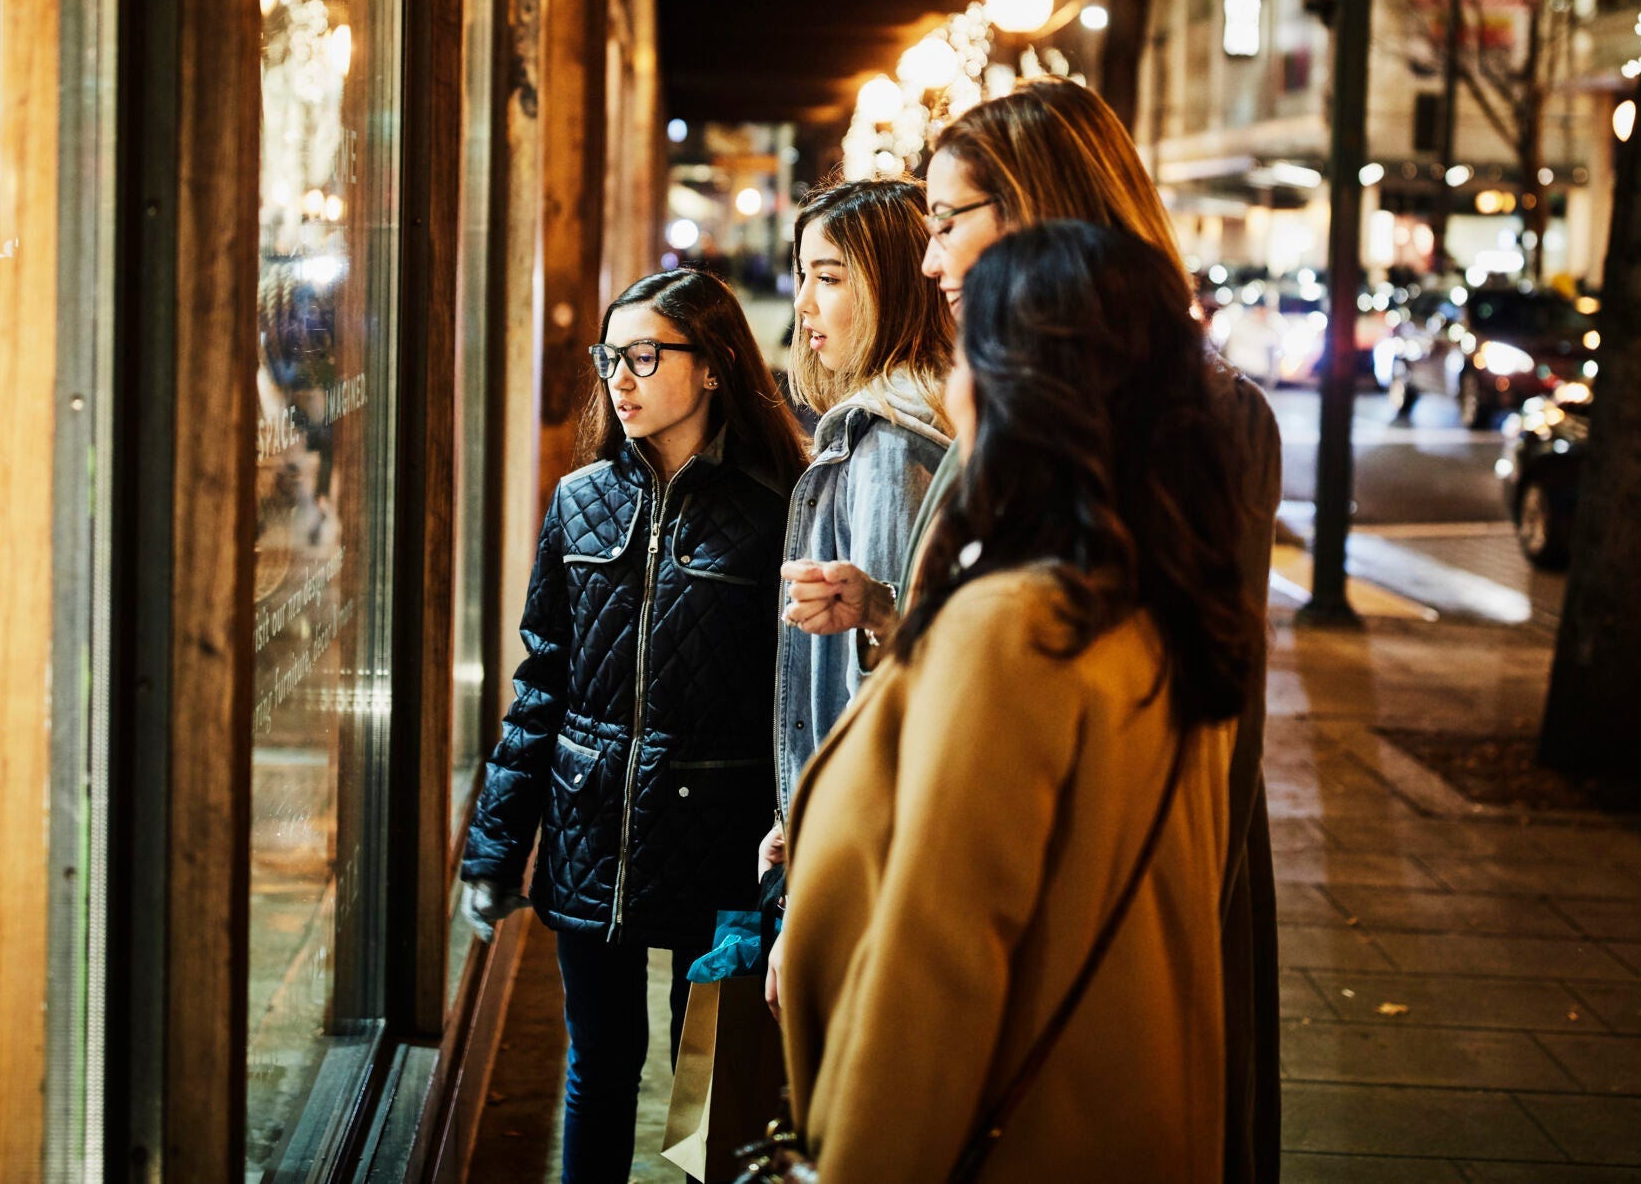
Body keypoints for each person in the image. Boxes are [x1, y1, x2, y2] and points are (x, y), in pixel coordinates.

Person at [778, 76, 1285, 1183]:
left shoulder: (1199, 419)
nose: (928, 260)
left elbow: (1182, 716)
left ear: (1037, 209)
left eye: (949, 219)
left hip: (1085, 958)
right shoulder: (1011, 421)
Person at [458, 267, 807, 1184]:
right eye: (611, 357)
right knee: (600, 1069)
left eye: (646, 354)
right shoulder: (579, 501)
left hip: (721, 839)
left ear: (716, 365)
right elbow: (542, 683)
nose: (622, 376)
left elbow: (791, 700)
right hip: (589, 828)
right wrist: (495, 850)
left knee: (711, 1081)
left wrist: (792, 844)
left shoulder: (775, 512)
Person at [770, 177, 956, 853]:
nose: (804, 302)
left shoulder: (889, 442)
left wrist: (824, 837)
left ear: (893, 286)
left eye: (830, 277)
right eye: (801, 275)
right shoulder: (918, 419)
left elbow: (879, 675)